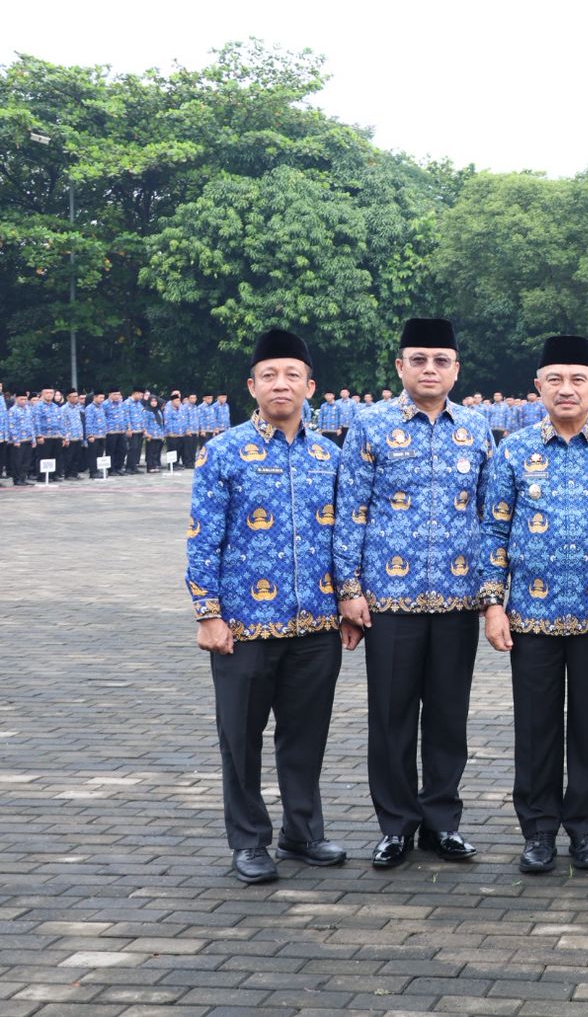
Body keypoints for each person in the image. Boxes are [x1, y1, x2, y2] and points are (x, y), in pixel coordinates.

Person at [185, 329, 360, 884]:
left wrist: (348, 602)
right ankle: (249, 840)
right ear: (251, 386)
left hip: (315, 623)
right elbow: (202, 537)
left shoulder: (330, 455)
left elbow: (345, 539)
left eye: (291, 376)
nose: (280, 384)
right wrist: (207, 613)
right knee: (241, 738)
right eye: (268, 376)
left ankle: (302, 831)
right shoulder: (225, 451)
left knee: (305, 735)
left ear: (311, 386)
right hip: (243, 624)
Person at [478, 335, 588, 873]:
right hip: (531, 616)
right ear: (538, 387)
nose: (566, 389)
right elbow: (494, 532)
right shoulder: (513, 451)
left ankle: (585, 829)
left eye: (578, 379)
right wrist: (492, 604)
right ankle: (537, 830)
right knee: (535, 727)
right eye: (555, 379)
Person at [335, 318, 495, 870]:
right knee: (392, 717)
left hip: (457, 599)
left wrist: (492, 591)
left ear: (456, 369)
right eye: (419, 359)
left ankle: (442, 822)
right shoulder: (370, 425)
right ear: (400, 366)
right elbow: (351, 513)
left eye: (441, 360)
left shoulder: (476, 429)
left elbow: (489, 515)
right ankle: (396, 826)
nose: (430, 369)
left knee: (450, 718)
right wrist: (349, 591)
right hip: (389, 603)